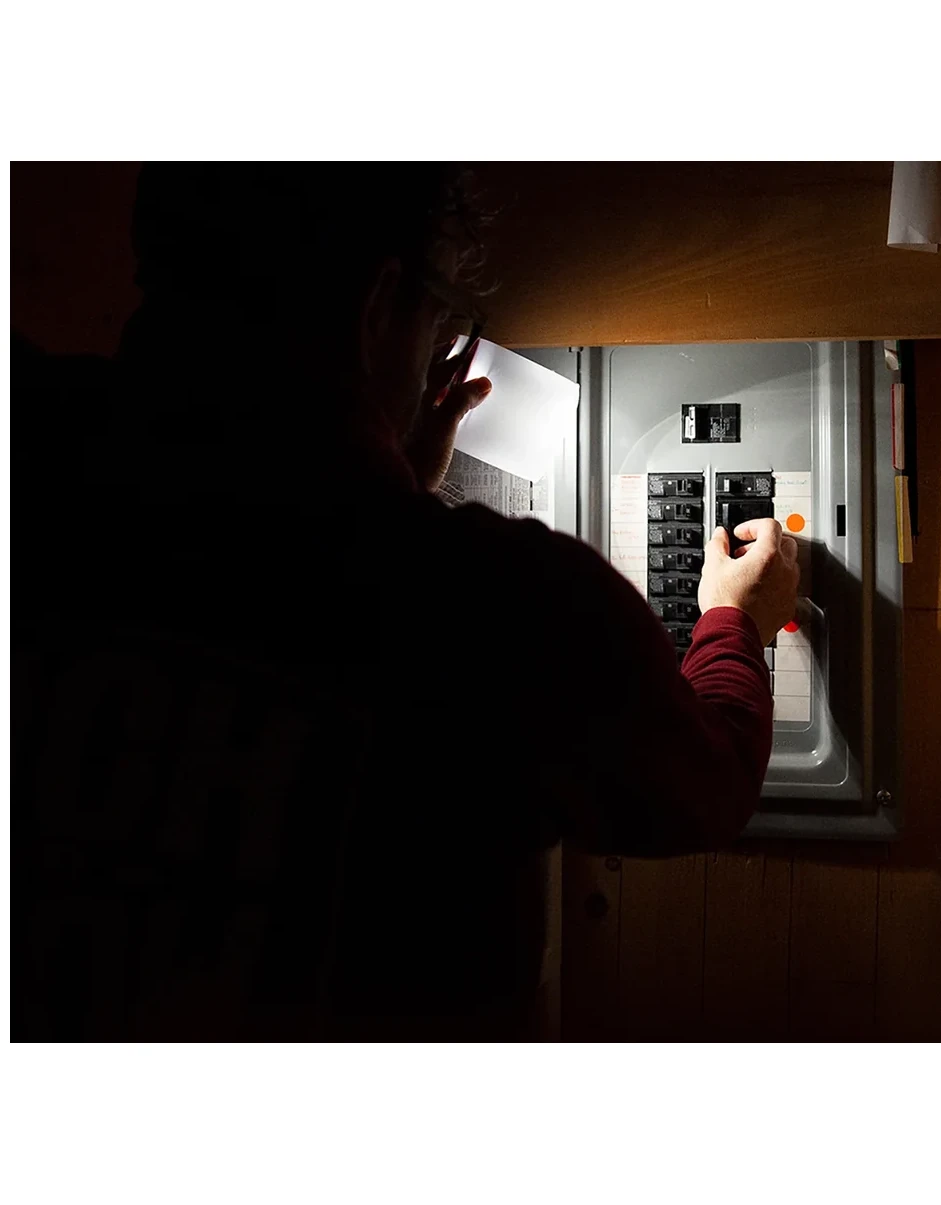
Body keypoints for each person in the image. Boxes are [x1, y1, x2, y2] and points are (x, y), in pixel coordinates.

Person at [12, 163, 800, 1040]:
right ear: (380, 305)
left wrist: (384, 480)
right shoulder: (508, 604)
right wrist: (734, 618)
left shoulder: (31, 465)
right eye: (441, 320)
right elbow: (705, 785)